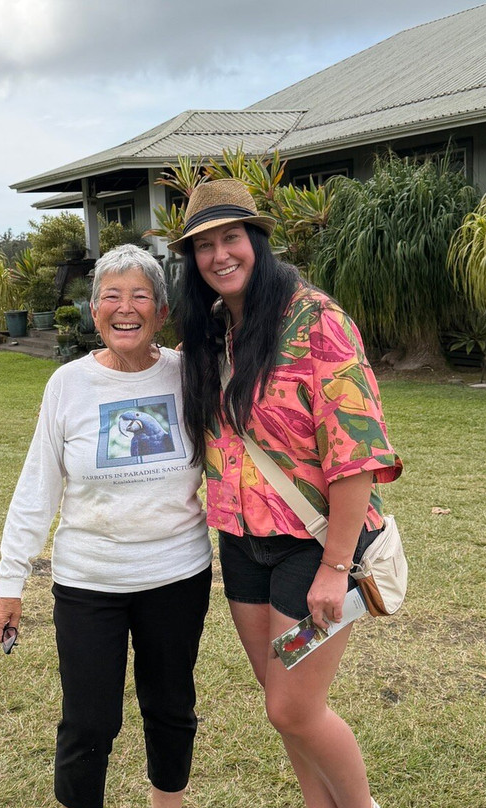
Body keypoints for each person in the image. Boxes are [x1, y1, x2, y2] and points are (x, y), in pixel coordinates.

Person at [171, 179, 402, 808]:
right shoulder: (214, 331)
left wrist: (334, 570)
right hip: (244, 546)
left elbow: (356, 456)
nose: (220, 255)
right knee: (284, 707)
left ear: (257, 240)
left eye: (232, 237)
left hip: (314, 546)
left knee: (293, 708)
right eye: (204, 245)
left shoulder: (316, 321)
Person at [0, 244, 212, 808]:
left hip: (177, 575)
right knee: (88, 722)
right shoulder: (68, 384)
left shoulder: (191, 375)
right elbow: (39, 486)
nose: (125, 308)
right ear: (94, 313)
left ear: (161, 312)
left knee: (170, 707)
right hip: (90, 582)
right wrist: (9, 579)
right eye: (111, 296)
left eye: (140, 295)